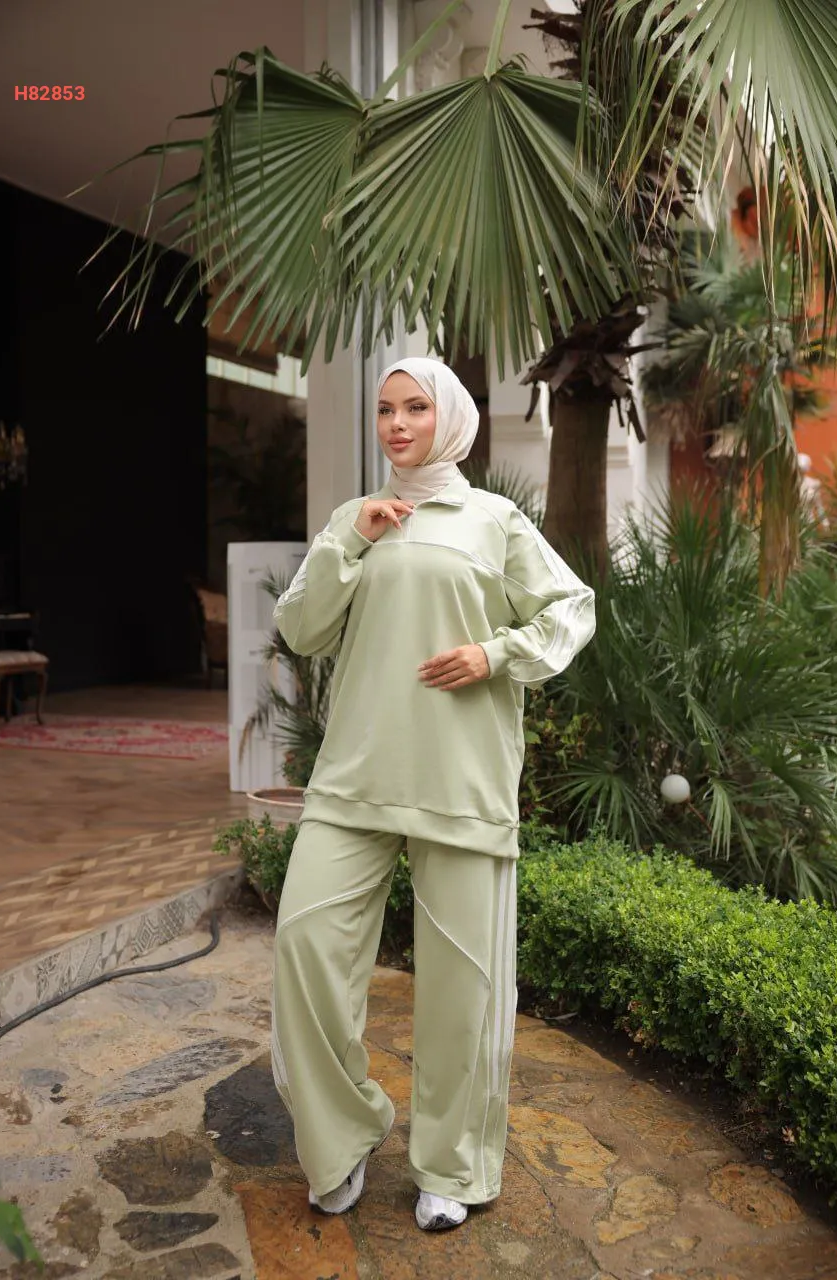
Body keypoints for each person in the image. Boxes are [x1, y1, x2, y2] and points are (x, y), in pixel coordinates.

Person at [270, 356, 596, 1232]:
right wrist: (351, 540)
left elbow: (571, 608)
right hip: (353, 776)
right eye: (385, 409)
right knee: (304, 948)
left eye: (415, 407)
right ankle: (341, 1136)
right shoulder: (354, 519)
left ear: (448, 417)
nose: (396, 424)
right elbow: (300, 629)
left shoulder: (493, 520)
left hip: (460, 779)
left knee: (464, 986)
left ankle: (451, 1164)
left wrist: (495, 654)